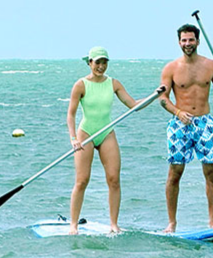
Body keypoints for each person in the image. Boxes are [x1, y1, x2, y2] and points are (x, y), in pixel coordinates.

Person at [67, 46, 161, 234]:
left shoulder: (114, 83)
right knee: (82, 180)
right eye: (97, 62)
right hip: (86, 133)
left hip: (106, 132)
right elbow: (71, 114)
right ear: (89, 63)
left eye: (104, 62)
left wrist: (155, 95)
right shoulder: (81, 85)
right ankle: (73, 225)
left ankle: (113, 224)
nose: (101, 66)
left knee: (114, 179)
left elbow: (133, 105)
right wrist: (73, 139)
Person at [158, 24, 213, 233]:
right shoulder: (171, 68)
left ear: (198, 41)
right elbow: (163, 98)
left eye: (191, 40)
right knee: (175, 173)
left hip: (205, 123)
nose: (187, 44)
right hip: (179, 123)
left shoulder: (210, 65)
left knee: (211, 172)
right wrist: (177, 112)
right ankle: (172, 223)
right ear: (179, 42)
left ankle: (212, 223)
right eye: (184, 40)